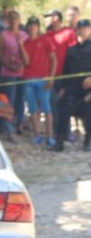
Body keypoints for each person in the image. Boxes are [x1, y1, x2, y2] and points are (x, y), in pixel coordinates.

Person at [53, 19, 91, 152]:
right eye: (80, 28)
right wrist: (62, 87)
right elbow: (65, 70)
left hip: (88, 89)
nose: (82, 31)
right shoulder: (71, 50)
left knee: (88, 113)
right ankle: (59, 142)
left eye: (86, 28)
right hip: (71, 88)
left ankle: (88, 141)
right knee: (63, 111)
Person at [22, 16, 57, 146]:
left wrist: (51, 77)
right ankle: (37, 135)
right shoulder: (24, 43)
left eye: (35, 25)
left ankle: (50, 136)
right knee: (32, 109)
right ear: (27, 27)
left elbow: (53, 59)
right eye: (30, 25)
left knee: (47, 109)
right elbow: (25, 62)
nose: (32, 27)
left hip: (43, 78)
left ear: (38, 27)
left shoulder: (45, 40)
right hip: (28, 79)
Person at [45, 9, 78, 139]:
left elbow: (74, 53)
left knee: (66, 102)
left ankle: (67, 131)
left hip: (66, 74)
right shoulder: (46, 35)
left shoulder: (68, 33)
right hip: (50, 75)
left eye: (49, 16)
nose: (47, 19)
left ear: (57, 18)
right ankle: (57, 131)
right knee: (53, 103)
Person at [0, 10, 30, 132]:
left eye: (16, 18)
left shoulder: (24, 35)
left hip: (22, 71)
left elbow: (28, 53)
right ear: (7, 21)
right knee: (9, 98)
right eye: (11, 18)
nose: (13, 21)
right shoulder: (3, 35)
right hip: (7, 71)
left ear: (19, 20)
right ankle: (8, 125)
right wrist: (8, 65)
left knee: (21, 98)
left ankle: (19, 123)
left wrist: (21, 64)